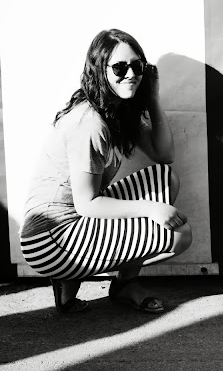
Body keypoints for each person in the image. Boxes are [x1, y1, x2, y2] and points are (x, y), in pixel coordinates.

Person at [19, 29, 192, 314]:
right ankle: (75, 274)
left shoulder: (118, 111)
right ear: (100, 71)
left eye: (137, 66)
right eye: (120, 68)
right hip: (49, 238)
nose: (130, 74)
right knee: (179, 235)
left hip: (76, 222)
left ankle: (121, 284)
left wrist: (152, 97)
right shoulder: (89, 123)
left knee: (164, 178)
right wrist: (151, 209)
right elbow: (87, 204)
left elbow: (164, 155)